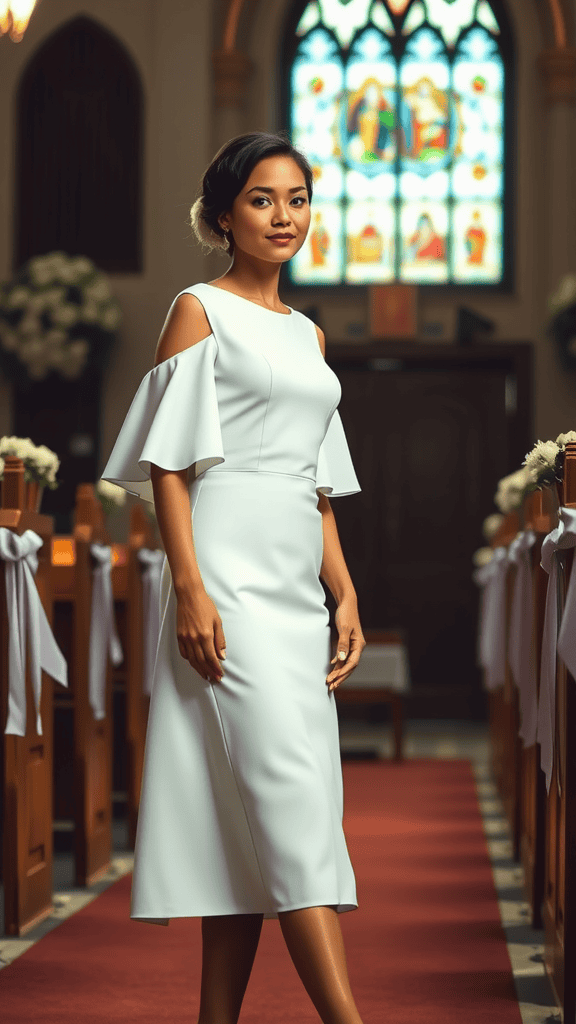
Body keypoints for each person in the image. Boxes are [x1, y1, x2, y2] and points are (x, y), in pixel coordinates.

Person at [100, 130, 366, 1024]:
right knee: (292, 814)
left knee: (244, 831)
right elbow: (170, 467)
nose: (282, 215)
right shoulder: (197, 309)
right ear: (224, 216)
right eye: (261, 199)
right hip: (227, 575)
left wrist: (345, 590)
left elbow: (316, 480)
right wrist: (191, 587)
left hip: (296, 585)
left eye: (295, 198)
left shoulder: (310, 333)